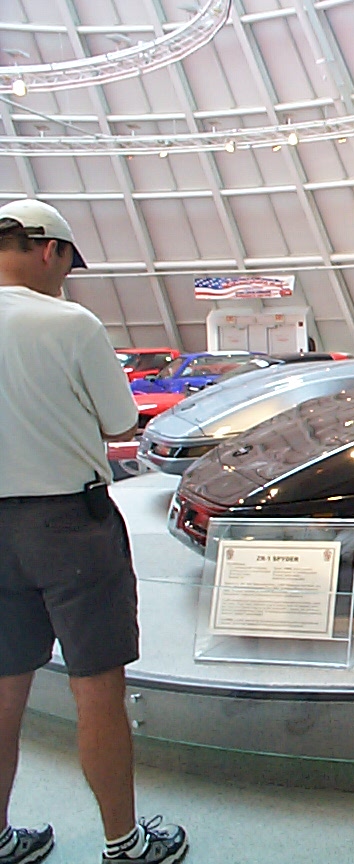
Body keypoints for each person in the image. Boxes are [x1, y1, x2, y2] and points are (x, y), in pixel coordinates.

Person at [0, 200, 188, 864]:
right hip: (68, 528)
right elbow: (120, 422)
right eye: (67, 263)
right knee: (97, 685)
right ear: (48, 249)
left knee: (4, 686)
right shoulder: (69, 322)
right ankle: (124, 843)